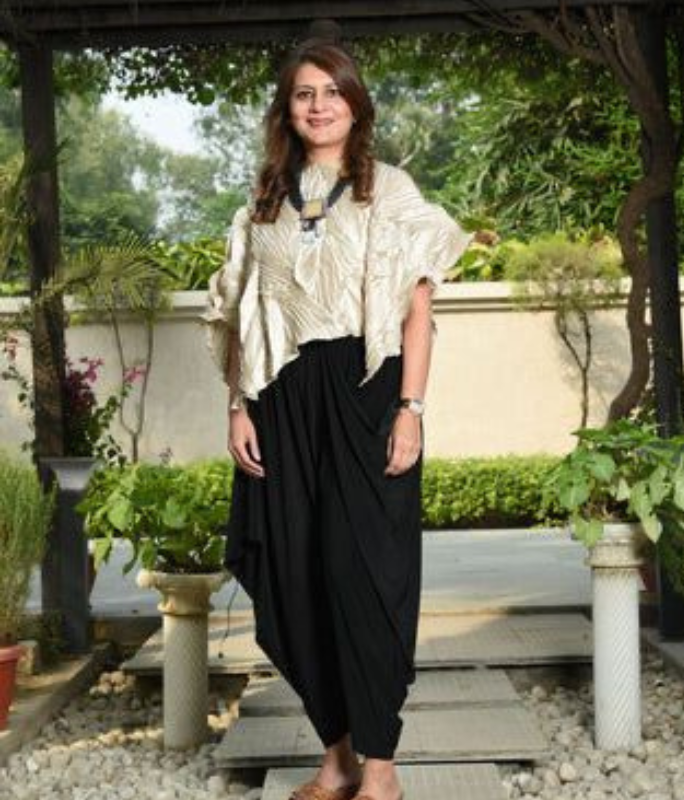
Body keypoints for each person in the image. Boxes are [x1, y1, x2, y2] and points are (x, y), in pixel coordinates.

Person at [202, 36, 472, 800]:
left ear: (355, 103)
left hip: (367, 391)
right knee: (295, 580)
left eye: (332, 91)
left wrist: (410, 410)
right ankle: (337, 758)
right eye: (303, 93)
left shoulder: (391, 191)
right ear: (286, 110)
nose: (318, 105)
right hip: (282, 402)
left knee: (368, 579)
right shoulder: (262, 202)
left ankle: (380, 769)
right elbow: (243, 318)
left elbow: (417, 313)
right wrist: (238, 407)